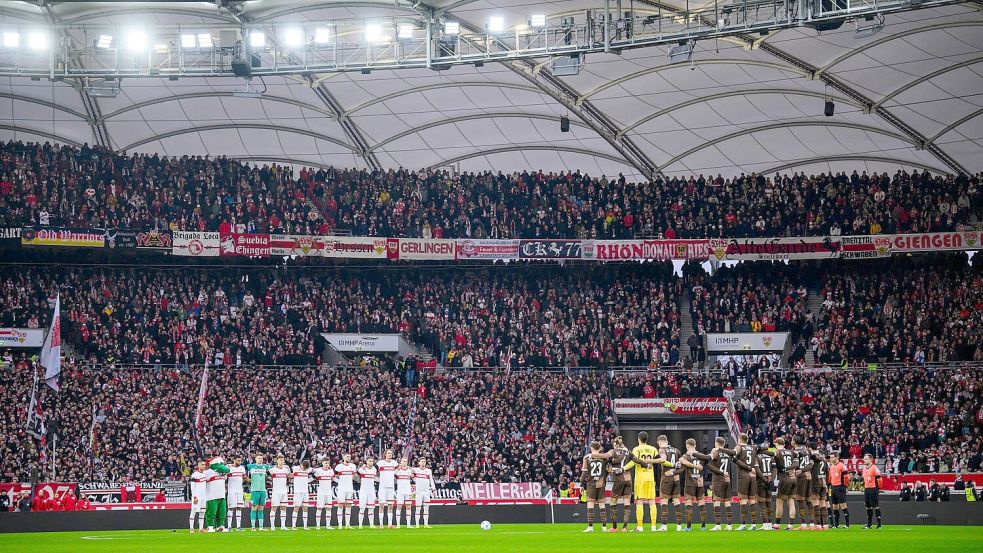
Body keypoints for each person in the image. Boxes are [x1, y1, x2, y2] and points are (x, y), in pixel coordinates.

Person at [629, 431, 660, 532]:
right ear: (647, 439)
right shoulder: (653, 449)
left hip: (640, 478)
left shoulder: (636, 449)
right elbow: (660, 460)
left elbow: (634, 462)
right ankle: (654, 527)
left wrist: (623, 468)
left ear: (638, 439)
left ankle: (640, 527)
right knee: (652, 502)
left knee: (639, 502)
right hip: (650, 478)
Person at [707, 436, 737, 531]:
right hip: (727, 480)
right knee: (727, 502)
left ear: (716, 443)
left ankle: (718, 525)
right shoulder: (727, 453)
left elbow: (710, 466)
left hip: (718, 479)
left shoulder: (715, 451)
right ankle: (729, 525)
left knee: (716, 502)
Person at [680, 438, 709, 531]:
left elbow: (682, 462)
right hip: (700, 483)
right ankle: (703, 526)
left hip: (690, 482)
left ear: (687, 446)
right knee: (701, 502)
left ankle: (688, 527)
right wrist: (697, 466)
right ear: (695, 445)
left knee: (688, 503)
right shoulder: (700, 455)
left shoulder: (686, 456)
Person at [656, 434, 683, 531]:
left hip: (667, 477)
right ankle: (679, 526)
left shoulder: (662, 450)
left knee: (664, 501)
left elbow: (663, 460)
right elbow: (682, 465)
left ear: (660, 443)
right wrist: (675, 471)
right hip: (676, 478)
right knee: (676, 501)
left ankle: (664, 526)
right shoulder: (677, 450)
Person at [607, 437, 635, 532]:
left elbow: (608, 459)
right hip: (628, 479)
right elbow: (635, 460)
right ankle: (624, 527)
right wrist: (646, 464)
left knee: (613, 501)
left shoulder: (613, 451)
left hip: (619, 479)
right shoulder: (628, 451)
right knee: (626, 502)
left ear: (615, 444)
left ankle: (614, 527)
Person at [581, 441, 609, 532]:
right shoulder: (604, 458)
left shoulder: (587, 457)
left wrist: (581, 484)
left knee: (590, 504)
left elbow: (584, 472)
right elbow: (608, 470)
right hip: (601, 483)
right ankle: (604, 527)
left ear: (592, 448)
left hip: (591, 483)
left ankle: (590, 527)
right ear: (599, 448)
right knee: (602, 505)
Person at [733, 433, 759, 530]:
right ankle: (753, 525)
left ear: (739, 439)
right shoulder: (753, 448)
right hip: (753, 476)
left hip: (743, 476)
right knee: (752, 500)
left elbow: (733, 454)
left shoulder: (739, 447)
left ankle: (743, 524)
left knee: (743, 500)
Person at [773, 437, 797, 530]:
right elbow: (798, 458)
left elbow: (772, 454)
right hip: (793, 478)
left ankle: (777, 524)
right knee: (791, 501)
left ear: (776, 444)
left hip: (784, 478)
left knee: (779, 501)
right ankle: (790, 525)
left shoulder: (778, 452)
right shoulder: (791, 452)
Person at [791, 435, 814, 530]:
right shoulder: (807, 450)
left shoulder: (795, 451)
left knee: (800, 499)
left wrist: (800, 470)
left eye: (792, 440)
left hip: (801, 477)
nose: (791, 442)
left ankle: (803, 524)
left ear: (794, 442)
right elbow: (811, 464)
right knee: (808, 500)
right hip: (809, 475)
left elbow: (794, 464)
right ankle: (812, 524)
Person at [204, 455, 230, 532]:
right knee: (211, 512)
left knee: (222, 513)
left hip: (222, 495)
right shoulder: (208, 472)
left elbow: (227, 470)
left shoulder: (223, 474)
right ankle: (210, 526)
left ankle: (220, 526)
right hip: (211, 496)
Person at [245, 453, 271, 530]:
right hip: (254, 490)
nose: (260, 460)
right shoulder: (250, 466)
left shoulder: (265, 467)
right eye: (259, 458)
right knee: (254, 507)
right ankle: (253, 527)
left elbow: (274, 468)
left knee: (261, 508)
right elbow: (242, 470)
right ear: (255, 459)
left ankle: (261, 527)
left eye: (261, 458)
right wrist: (247, 479)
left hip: (263, 490)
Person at [755, 444, 776, 530]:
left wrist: (763, 479)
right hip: (770, 480)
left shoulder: (756, 456)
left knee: (762, 502)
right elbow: (775, 469)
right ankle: (770, 523)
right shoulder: (771, 457)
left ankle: (765, 524)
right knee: (768, 501)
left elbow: (757, 470)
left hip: (761, 481)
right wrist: (772, 481)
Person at [376, 450, 399, 528]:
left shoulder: (394, 463)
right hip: (382, 487)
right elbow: (373, 471)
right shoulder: (380, 463)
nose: (390, 454)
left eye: (391, 453)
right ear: (385, 454)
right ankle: (381, 524)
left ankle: (389, 524)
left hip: (391, 487)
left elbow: (398, 471)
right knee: (381, 505)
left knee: (390, 506)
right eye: (389, 453)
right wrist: (378, 480)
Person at [268, 455, 291, 530]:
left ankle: (283, 526)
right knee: (274, 508)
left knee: (283, 508)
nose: (282, 461)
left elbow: (290, 476)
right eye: (280, 460)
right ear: (277, 461)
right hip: (276, 492)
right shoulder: (273, 470)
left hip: (284, 491)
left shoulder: (286, 469)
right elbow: (267, 474)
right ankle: (272, 526)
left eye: (283, 460)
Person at [412, 457, 436, 528]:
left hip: (426, 492)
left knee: (426, 508)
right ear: (419, 463)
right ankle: (417, 524)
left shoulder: (428, 471)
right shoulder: (415, 470)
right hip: (419, 492)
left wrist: (433, 489)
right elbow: (408, 470)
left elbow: (431, 480)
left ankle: (426, 524)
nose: (423, 463)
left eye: (424, 462)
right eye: (422, 461)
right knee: (418, 508)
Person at [334, 453, 357, 528]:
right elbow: (333, 476)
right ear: (343, 457)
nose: (348, 458)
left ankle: (347, 524)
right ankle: (340, 525)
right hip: (341, 489)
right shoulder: (338, 467)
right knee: (340, 505)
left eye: (349, 457)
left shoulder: (353, 466)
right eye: (347, 457)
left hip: (349, 488)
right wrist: (339, 482)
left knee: (349, 505)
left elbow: (354, 476)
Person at [828, 451, 850, 528]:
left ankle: (847, 524)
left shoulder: (842, 466)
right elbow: (830, 478)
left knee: (843, 505)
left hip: (840, 487)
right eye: (830, 457)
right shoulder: (831, 466)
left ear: (837, 457)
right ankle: (836, 525)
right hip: (833, 487)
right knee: (835, 507)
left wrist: (844, 487)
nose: (830, 459)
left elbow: (846, 477)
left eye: (832, 457)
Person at [810, 444, 829, 529]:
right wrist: (827, 485)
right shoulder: (825, 462)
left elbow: (812, 470)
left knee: (815, 502)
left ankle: (817, 524)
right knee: (823, 503)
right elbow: (827, 473)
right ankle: (825, 524)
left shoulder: (814, 460)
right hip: (823, 482)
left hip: (816, 482)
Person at [312, 458, 335, 529]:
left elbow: (334, 479)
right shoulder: (318, 470)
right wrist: (304, 482)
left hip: (328, 492)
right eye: (325, 463)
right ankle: (318, 525)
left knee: (328, 508)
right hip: (321, 492)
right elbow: (312, 478)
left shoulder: (331, 471)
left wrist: (341, 482)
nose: (327, 465)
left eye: (328, 463)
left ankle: (328, 525)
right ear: (322, 463)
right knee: (319, 508)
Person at [861, 453, 883, 529]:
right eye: (864, 459)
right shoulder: (864, 468)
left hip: (873, 489)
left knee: (875, 506)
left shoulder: (874, 468)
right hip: (866, 489)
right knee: (868, 507)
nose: (864, 460)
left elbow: (879, 479)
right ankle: (869, 524)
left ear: (871, 460)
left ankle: (879, 524)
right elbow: (864, 479)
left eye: (866, 459)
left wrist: (877, 489)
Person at [357, 457, 379, 528]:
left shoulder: (374, 469)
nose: (371, 462)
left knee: (371, 508)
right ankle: (360, 525)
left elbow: (375, 478)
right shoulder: (362, 469)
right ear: (366, 462)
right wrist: (362, 466)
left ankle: (371, 524)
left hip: (371, 491)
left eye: (372, 461)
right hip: (363, 491)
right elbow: (358, 471)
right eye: (369, 461)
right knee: (362, 508)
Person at [226, 456, 247, 531]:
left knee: (239, 508)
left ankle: (238, 527)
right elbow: (224, 478)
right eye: (238, 460)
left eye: (240, 461)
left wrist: (252, 480)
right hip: (231, 490)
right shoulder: (228, 468)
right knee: (231, 508)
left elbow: (245, 478)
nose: (240, 462)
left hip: (239, 490)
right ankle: (229, 527)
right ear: (234, 460)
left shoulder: (242, 468)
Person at [291, 460, 312, 529]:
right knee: (296, 508)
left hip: (305, 492)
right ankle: (293, 526)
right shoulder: (295, 468)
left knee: (305, 508)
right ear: (301, 465)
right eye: (304, 468)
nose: (304, 469)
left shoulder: (309, 469)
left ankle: (305, 526)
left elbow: (315, 471)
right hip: (298, 492)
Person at [395, 458, 414, 528]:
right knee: (399, 507)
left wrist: (411, 468)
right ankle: (398, 525)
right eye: (403, 461)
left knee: (408, 507)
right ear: (401, 462)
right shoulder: (397, 471)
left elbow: (414, 475)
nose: (405, 462)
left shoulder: (409, 470)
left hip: (408, 491)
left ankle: (408, 524)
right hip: (400, 491)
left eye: (406, 461)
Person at [189, 461, 208, 533]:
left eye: (204, 465)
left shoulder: (205, 474)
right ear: (198, 466)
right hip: (197, 496)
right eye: (202, 465)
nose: (204, 466)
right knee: (193, 512)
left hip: (204, 496)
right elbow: (192, 486)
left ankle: (201, 529)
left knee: (202, 512)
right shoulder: (194, 475)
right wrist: (194, 497)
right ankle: (191, 528)